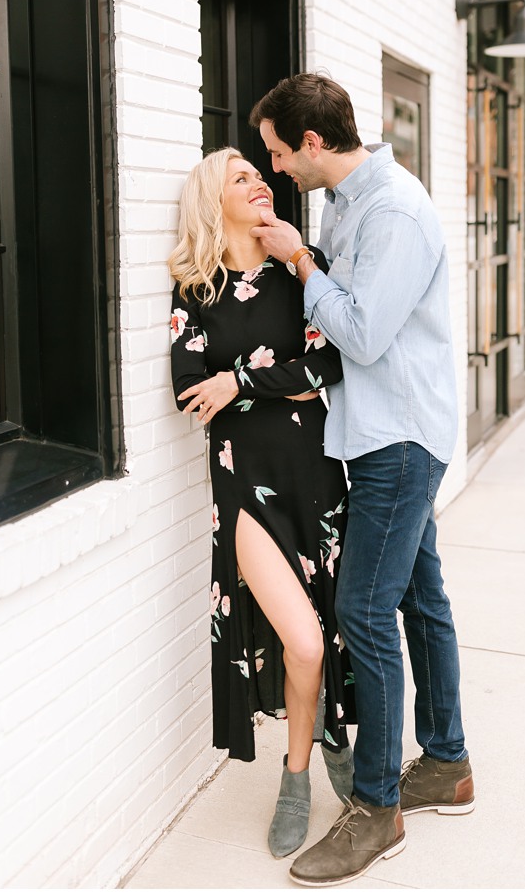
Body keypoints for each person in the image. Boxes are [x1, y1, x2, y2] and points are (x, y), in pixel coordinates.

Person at [248, 73, 471, 887]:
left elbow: (367, 335)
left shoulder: (396, 213)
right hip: (380, 431)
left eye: (278, 152)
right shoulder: (347, 201)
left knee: (363, 610)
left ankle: (377, 810)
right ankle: (446, 762)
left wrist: (301, 261)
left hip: (401, 436)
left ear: (312, 142)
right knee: (418, 596)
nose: (275, 170)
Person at [168, 148, 356, 859]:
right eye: (240, 177)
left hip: (317, 480)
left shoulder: (301, 271)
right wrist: (281, 378)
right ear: (213, 201)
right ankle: (301, 776)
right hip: (245, 489)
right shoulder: (196, 289)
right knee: (301, 641)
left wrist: (239, 379)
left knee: (325, 637)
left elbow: (332, 359)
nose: (259, 183)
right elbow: (191, 385)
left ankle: (313, 754)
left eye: (260, 173)